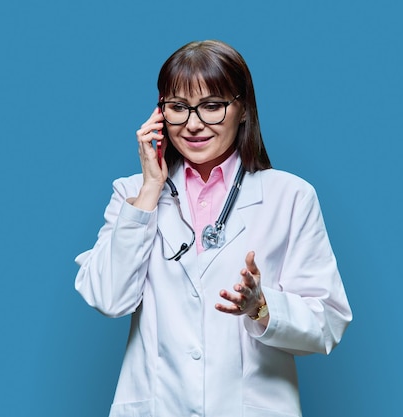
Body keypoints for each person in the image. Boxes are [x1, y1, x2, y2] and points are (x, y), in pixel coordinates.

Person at [75, 39, 352, 417]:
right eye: (178, 108)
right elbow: (109, 299)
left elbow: (329, 322)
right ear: (160, 114)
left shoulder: (290, 196)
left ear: (243, 110)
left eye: (211, 106)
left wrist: (260, 307)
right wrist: (150, 190)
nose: (192, 124)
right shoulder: (132, 195)